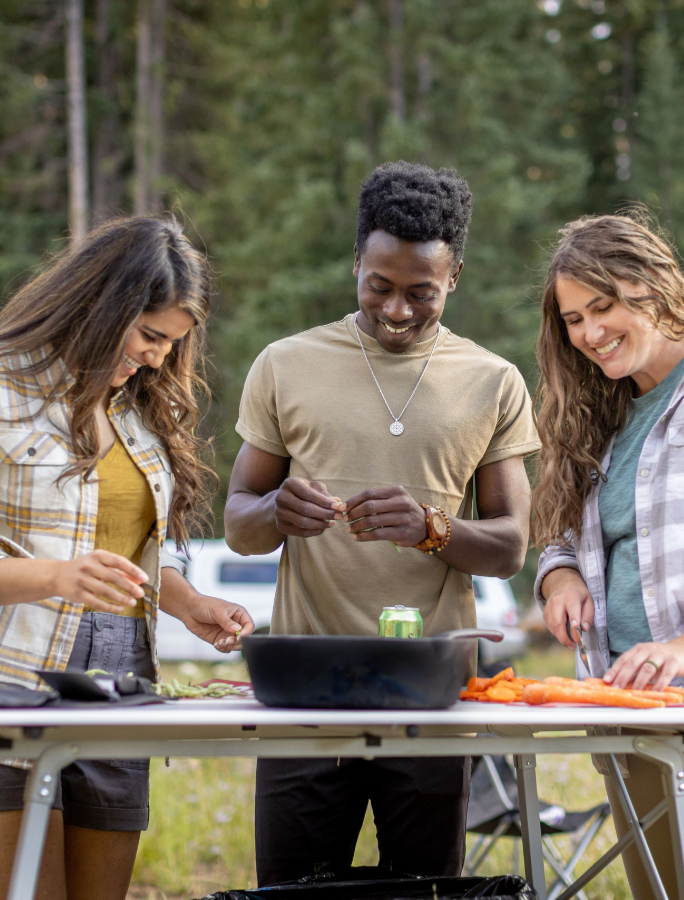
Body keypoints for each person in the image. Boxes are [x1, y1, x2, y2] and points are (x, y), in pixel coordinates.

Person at [0, 215, 254, 900]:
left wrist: (188, 602)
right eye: (149, 335)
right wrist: (55, 577)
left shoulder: (135, 407)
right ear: (101, 303)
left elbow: (122, 549)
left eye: (171, 343)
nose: (157, 357)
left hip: (120, 678)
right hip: (2, 676)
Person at [224, 160, 541, 884]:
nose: (397, 310)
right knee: (292, 890)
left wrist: (434, 528)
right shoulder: (285, 363)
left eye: (420, 293)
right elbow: (240, 523)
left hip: (431, 691)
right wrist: (277, 511)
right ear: (356, 265)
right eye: (380, 287)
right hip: (305, 691)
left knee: (424, 891)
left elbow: (510, 548)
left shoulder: (492, 380)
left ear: (453, 277)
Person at [533, 214, 684, 900]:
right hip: (626, 708)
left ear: (655, 286)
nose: (589, 333)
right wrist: (561, 577)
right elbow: (560, 534)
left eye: (603, 307)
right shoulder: (602, 410)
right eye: (574, 318)